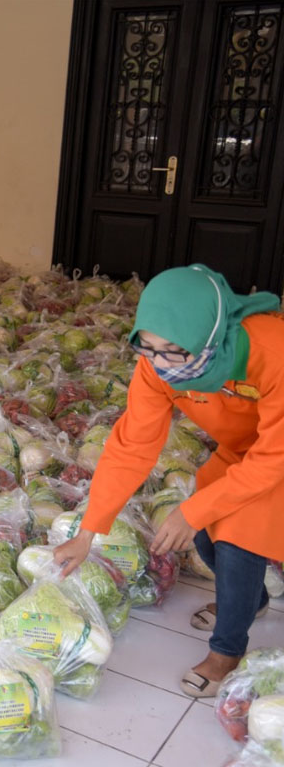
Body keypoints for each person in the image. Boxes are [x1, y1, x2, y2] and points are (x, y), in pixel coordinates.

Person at [54, 264, 282, 698]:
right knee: (203, 538)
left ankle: (226, 652)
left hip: (277, 456)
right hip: (242, 454)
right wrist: (88, 533)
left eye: (174, 350)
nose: (161, 364)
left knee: (238, 539)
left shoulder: (273, 350)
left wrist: (193, 510)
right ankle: (250, 602)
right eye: (148, 348)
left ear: (210, 336)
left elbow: (273, 460)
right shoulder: (157, 367)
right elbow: (132, 446)